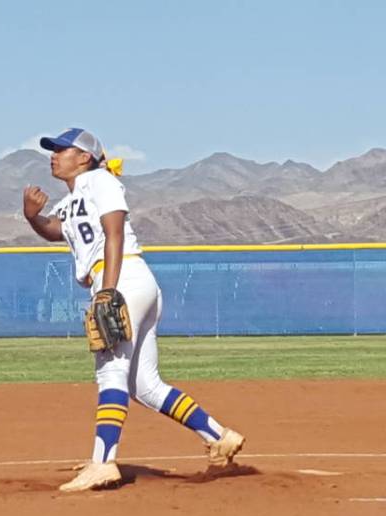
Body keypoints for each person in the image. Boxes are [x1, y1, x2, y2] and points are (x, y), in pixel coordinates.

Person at [23, 128, 245, 492]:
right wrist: (32, 216)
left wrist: (108, 291)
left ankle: (103, 461)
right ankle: (219, 435)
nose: (54, 155)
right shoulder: (73, 198)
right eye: (53, 150)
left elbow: (115, 234)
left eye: (63, 149)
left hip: (122, 275)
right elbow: (53, 230)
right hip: (128, 282)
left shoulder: (100, 181)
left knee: (111, 372)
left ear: (84, 157)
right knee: (145, 386)